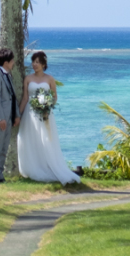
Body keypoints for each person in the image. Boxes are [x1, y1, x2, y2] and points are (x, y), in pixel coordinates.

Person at [17, 50, 80, 184]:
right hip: (30, 113)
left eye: (38, 62)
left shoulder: (50, 79)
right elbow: (24, 98)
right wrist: (18, 115)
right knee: (31, 140)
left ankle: (49, 167)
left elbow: (55, 97)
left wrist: (47, 104)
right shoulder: (28, 78)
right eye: (33, 62)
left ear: (44, 64)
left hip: (45, 114)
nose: (35, 64)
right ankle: (34, 167)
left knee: (46, 139)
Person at [0, 46, 20, 185]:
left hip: (9, 117)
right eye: (12, 60)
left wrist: (16, 115)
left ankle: (0, 174)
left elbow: (13, 97)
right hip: (1, 119)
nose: (13, 63)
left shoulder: (8, 76)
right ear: (6, 62)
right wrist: (1, 118)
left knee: (4, 148)